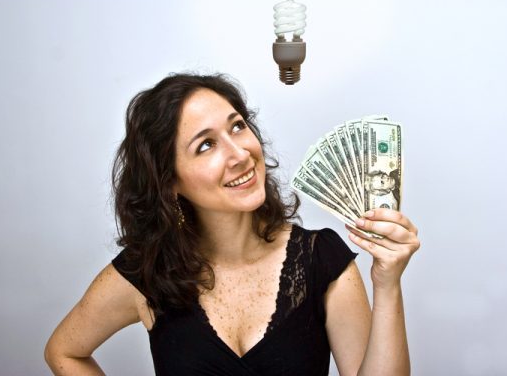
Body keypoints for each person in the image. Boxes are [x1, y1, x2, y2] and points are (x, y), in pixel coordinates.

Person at [44, 73, 420, 375]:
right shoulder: (146, 274)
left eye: (237, 126)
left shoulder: (321, 258)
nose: (240, 153)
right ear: (170, 182)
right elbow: (64, 352)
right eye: (206, 145)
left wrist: (387, 285)